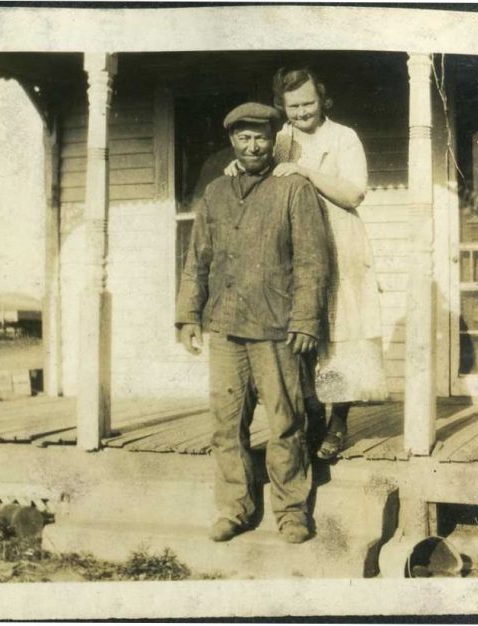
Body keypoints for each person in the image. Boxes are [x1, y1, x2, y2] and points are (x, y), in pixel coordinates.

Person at [175, 102, 330, 544]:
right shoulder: (215, 195)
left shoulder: (294, 189)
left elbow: (312, 262)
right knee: (226, 425)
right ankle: (235, 509)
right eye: (244, 137)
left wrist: (305, 320)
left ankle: (292, 512)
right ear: (232, 141)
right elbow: (197, 259)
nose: (253, 145)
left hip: (277, 327)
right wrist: (188, 314)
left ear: (273, 139)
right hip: (224, 328)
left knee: (285, 422)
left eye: (261, 136)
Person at [227, 67, 388, 461]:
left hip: (339, 244)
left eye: (308, 103)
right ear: (283, 106)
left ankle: (338, 423)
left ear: (322, 100)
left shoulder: (343, 137)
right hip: (293, 250)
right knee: (301, 334)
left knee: (339, 333)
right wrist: (237, 168)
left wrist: (304, 170)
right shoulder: (279, 140)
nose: (301, 112)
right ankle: (313, 416)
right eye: (293, 105)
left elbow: (353, 193)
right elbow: (260, 170)